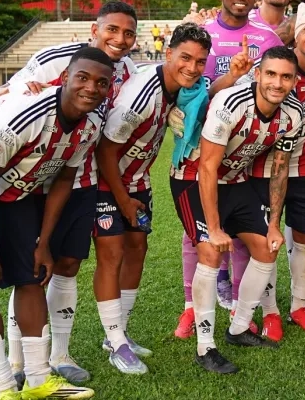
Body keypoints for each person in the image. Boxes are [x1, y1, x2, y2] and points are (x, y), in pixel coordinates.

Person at [0, 47, 112, 400]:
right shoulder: (28, 114)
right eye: (82, 77)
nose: (91, 88)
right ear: (65, 78)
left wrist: (43, 243)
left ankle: (38, 381)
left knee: (32, 275)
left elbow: (63, 180)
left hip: (16, 190)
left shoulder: (91, 123)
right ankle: (4, 388)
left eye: (101, 83)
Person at [0, 1, 139, 385]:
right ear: (95, 29)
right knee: (30, 271)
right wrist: (23, 93)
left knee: (69, 264)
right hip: (36, 181)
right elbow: (2, 96)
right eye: (112, 29)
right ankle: (18, 361)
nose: (119, 39)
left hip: (82, 180)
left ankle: (60, 354)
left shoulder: (130, 73)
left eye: (128, 33)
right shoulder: (57, 58)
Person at [173, 0, 283, 340]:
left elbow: (277, 88)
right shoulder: (202, 35)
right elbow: (194, 95)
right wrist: (232, 76)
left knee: (242, 231)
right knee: (197, 234)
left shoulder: (267, 37)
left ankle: (239, 304)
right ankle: (191, 307)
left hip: (245, 152)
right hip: (200, 147)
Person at [93, 23, 209, 375]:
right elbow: (105, 151)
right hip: (105, 182)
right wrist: (124, 201)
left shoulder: (179, 88)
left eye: (200, 61)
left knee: (137, 249)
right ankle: (116, 343)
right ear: (168, 53)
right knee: (112, 254)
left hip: (138, 181)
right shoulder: (142, 94)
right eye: (185, 58)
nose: (192, 67)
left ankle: (118, 333)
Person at [191, 46, 303, 372]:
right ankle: (205, 346)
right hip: (194, 177)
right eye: (271, 74)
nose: (277, 83)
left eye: (286, 77)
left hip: (235, 180)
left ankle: (239, 328)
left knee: (267, 248)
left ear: (294, 81)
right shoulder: (231, 102)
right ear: (257, 74)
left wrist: (274, 223)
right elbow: (207, 167)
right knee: (211, 250)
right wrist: (214, 228)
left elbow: (279, 169)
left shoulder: (293, 113)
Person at [244, 0, 305, 338]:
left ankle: (300, 305)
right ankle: (270, 311)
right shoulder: (275, 67)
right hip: (264, 168)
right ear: (296, 34)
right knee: (265, 241)